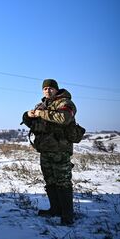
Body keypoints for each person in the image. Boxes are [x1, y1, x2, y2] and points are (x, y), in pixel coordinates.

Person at [23, 79, 77, 225]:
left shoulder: (65, 103)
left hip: (60, 150)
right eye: (45, 88)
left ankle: (67, 215)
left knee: (63, 182)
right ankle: (55, 209)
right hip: (45, 150)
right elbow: (34, 124)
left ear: (56, 89)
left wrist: (41, 113)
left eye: (50, 88)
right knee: (50, 181)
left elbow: (63, 118)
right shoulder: (41, 105)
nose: (47, 91)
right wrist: (28, 115)